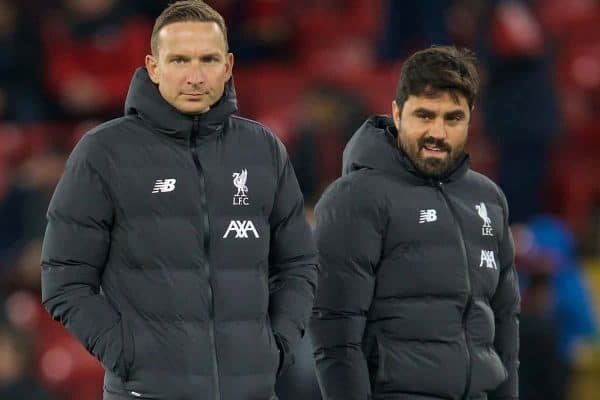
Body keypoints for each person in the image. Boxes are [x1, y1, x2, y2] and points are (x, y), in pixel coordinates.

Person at [40, 1, 317, 399]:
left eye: (208, 59)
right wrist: (129, 357)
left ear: (228, 65)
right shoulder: (104, 152)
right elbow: (64, 277)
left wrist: (277, 347)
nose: (195, 75)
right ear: (154, 67)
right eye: (180, 60)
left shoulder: (263, 150)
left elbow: (298, 264)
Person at [310, 46, 520, 400]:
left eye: (453, 118)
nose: (437, 132)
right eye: (424, 115)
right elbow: (335, 335)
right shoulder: (354, 198)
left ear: (471, 118)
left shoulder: (489, 199)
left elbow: (505, 327)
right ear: (396, 112)